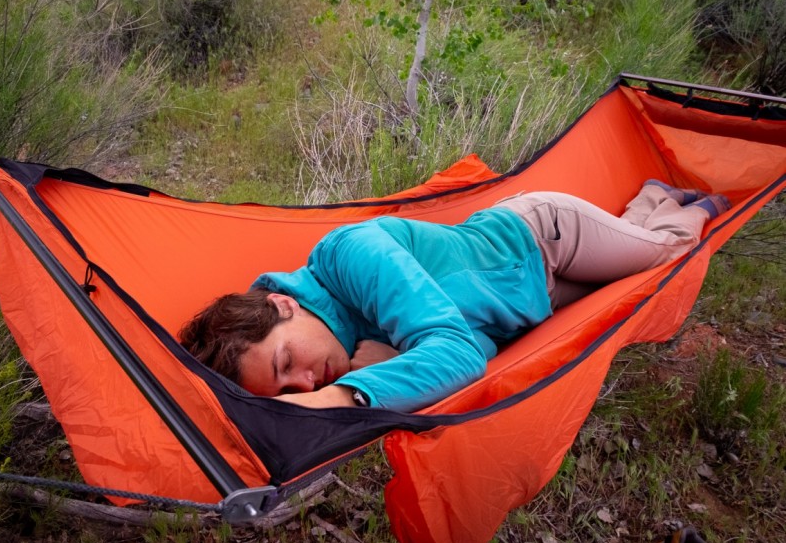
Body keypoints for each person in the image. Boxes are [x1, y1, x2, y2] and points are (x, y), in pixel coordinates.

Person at [179, 180, 730, 413]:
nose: (306, 383)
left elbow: (461, 354)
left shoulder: (351, 252)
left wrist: (338, 399)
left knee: (663, 257)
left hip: (542, 238)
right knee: (623, 274)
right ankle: (647, 206)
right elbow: (478, 347)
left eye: (286, 362)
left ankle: (689, 206)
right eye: (289, 391)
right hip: (534, 298)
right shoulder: (350, 346)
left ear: (283, 305)